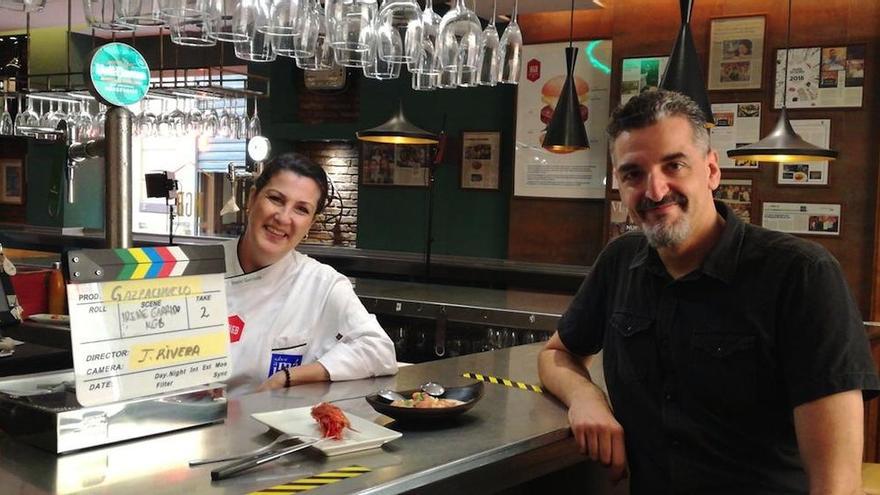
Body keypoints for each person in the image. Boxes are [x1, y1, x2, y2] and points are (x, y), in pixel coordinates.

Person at [537, 89, 879, 494]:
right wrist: (586, 398)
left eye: (674, 165)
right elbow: (557, 353)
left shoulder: (802, 275)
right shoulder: (619, 262)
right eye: (633, 174)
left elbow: (836, 486)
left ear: (712, 171)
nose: (655, 191)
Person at [223, 152, 398, 396]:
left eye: (301, 209)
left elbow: (379, 350)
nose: (283, 217)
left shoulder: (322, 284)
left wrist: (288, 377)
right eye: (275, 199)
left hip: (268, 425)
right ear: (252, 199)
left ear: (310, 224)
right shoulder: (195, 267)